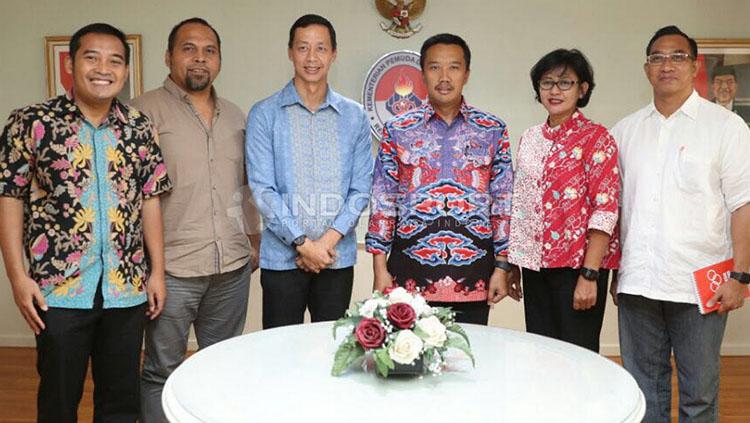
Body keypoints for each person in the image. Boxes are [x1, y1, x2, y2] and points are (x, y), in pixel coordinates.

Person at [0, 23, 172, 422]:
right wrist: (17, 276)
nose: (103, 68)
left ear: (125, 71)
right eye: (91, 57)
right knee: (59, 399)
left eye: (115, 60)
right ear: (71, 65)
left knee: (120, 402)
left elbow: (151, 200)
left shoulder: (139, 127)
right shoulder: (31, 122)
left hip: (126, 288)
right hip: (58, 291)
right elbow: (9, 198)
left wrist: (157, 272)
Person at [612, 25, 750, 422]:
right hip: (639, 284)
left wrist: (741, 276)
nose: (666, 65)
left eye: (677, 57)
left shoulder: (725, 127)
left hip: (700, 287)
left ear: (694, 66)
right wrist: (615, 274)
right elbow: (615, 209)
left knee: (699, 395)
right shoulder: (625, 131)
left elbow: (743, 204)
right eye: (657, 58)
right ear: (646, 69)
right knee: (643, 392)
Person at [130, 18, 261, 423]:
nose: (199, 58)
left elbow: (247, 185)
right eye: (188, 48)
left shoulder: (237, 116)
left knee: (219, 365)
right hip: (171, 270)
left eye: (209, 50)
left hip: (231, 267)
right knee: (161, 371)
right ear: (169, 56)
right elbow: (128, 195)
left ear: (219, 59)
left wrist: (253, 237)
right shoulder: (140, 113)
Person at [366, 33, 514, 325]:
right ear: (422, 74)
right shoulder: (398, 129)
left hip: (474, 276)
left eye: (454, 67)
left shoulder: (492, 129)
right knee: (410, 362)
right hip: (408, 276)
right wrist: (379, 268)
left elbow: (504, 202)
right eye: (434, 67)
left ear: (467, 73)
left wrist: (502, 266)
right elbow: (383, 199)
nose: (444, 77)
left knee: (468, 360)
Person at [246, 14, 373, 329]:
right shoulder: (264, 114)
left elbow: (361, 189)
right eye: (303, 48)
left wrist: (324, 245)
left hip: (336, 259)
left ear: (333, 54)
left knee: (331, 353)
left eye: (320, 48)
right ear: (290, 52)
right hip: (281, 261)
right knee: (280, 353)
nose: (312, 58)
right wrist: (303, 244)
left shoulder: (355, 116)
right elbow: (262, 189)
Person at [508, 49, 620, 352]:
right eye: (547, 83)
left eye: (565, 82)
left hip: (578, 268)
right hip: (535, 269)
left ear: (582, 89)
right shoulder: (530, 138)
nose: (554, 91)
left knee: (578, 358)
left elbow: (606, 208)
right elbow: (521, 205)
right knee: (542, 355)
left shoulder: (597, 138)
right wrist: (513, 265)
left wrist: (589, 275)